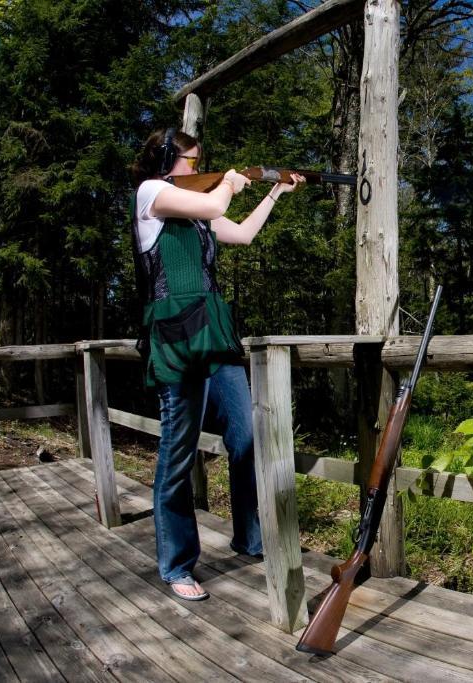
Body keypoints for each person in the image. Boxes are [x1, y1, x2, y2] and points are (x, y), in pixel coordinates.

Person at [130, 128, 305, 600]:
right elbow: (214, 205)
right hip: (175, 337)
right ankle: (177, 565)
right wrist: (227, 182)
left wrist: (273, 192)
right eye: (191, 160)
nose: (195, 166)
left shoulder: (198, 215)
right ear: (167, 158)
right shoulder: (152, 193)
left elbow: (243, 234)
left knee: (246, 436)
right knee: (178, 450)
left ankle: (249, 537)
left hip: (213, 334)